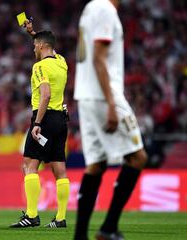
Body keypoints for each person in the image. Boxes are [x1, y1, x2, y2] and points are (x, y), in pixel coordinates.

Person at [73, 0, 148, 239]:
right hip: (103, 96)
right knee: (137, 157)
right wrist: (112, 104)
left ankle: (80, 235)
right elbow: (98, 57)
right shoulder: (105, 9)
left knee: (96, 164)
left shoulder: (90, 8)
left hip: (85, 95)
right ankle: (108, 228)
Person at [10, 20, 70, 228]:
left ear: (42, 47)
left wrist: (37, 123)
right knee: (59, 169)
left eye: (35, 45)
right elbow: (47, 45)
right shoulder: (61, 61)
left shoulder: (40, 67)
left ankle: (32, 215)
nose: (33, 47)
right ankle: (60, 218)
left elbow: (45, 95)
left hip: (44, 119)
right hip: (61, 120)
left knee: (29, 164)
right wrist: (33, 33)